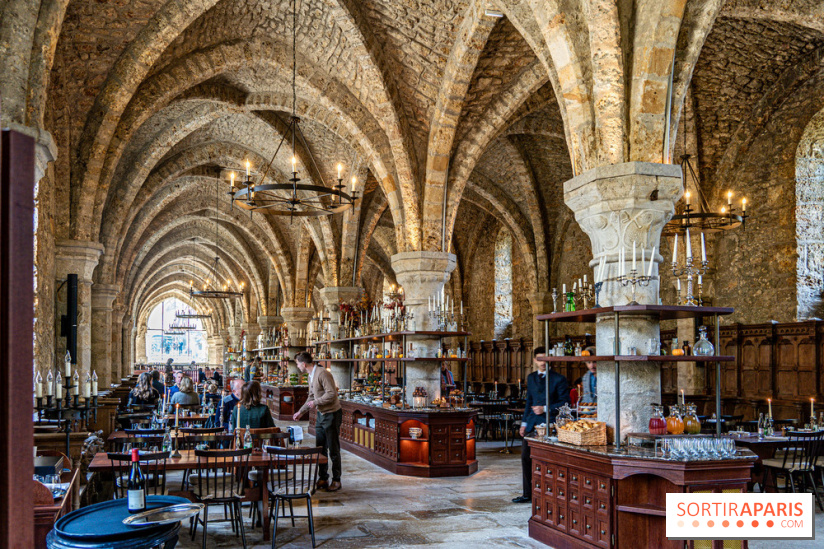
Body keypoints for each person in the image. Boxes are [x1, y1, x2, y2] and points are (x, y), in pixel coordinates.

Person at [512, 347, 569, 504]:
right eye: (539, 359)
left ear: (550, 360)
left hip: (550, 425)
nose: (542, 362)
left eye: (545, 359)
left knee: (547, 461)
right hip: (531, 424)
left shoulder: (559, 379)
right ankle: (527, 494)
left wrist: (545, 408)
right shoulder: (531, 378)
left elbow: (565, 402)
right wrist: (523, 423)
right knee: (526, 458)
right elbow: (529, 402)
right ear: (535, 360)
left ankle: (548, 494)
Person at [293, 352, 342, 492]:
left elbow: (331, 393)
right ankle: (323, 478)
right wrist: (300, 412)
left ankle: (337, 480)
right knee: (320, 448)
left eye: (297, 364)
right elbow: (311, 396)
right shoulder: (311, 375)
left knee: (333, 449)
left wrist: (316, 402)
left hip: (331, 414)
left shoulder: (322, 373)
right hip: (321, 414)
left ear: (303, 364)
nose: (297, 366)